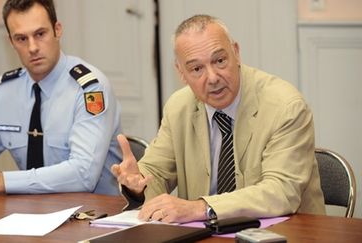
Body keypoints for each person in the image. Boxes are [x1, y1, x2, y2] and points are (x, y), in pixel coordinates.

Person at [111, 15, 326, 223]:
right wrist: (137, 186)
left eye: (220, 61)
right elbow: (156, 173)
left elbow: (281, 191)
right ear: (181, 73)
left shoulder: (286, 106)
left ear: (236, 53)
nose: (213, 78)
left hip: (288, 233)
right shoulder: (178, 107)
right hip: (205, 235)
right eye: (197, 69)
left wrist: (201, 207)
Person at [0, 0, 122, 196]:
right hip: (31, 214)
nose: (33, 47)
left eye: (40, 34)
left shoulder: (89, 89)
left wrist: (0, 181)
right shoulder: (6, 91)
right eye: (21, 39)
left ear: (57, 30)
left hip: (95, 216)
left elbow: (84, 174)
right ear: (11, 42)